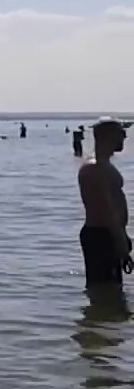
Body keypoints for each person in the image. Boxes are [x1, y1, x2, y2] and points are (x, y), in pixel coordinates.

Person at [77, 118, 132, 289]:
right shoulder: (95, 168)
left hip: (108, 235)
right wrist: (120, 242)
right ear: (107, 136)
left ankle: (101, 316)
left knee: (113, 291)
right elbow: (106, 210)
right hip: (101, 236)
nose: (125, 137)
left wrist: (123, 235)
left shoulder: (104, 165)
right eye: (121, 133)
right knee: (105, 290)